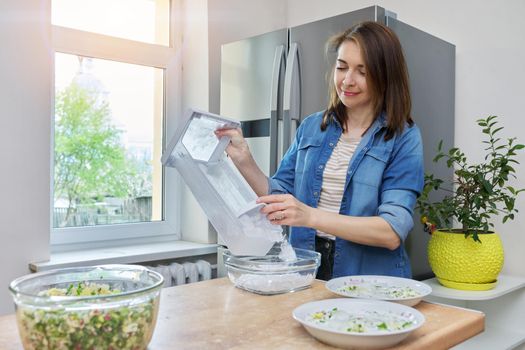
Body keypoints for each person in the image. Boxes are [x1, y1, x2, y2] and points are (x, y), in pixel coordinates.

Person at [215, 21, 424, 280]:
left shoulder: (403, 136)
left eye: (363, 71)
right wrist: (244, 160)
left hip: (368, 278)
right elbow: (280, 196)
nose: (347, 80)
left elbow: (391, 232)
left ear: (384, 75)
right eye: (342, 67)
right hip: (306, 267)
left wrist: (310, 216)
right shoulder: (314, 126)